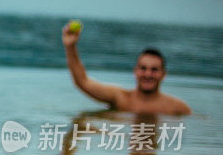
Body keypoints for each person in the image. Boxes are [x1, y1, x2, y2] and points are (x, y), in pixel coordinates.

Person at [61, 22, 191, 115]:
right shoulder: (121, 99)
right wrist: (70, 47)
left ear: (163, 74)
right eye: (143, 68)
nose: (148, 74)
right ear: (135, 71)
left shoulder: (176, 108)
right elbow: (83, 82)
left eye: (154, 70)